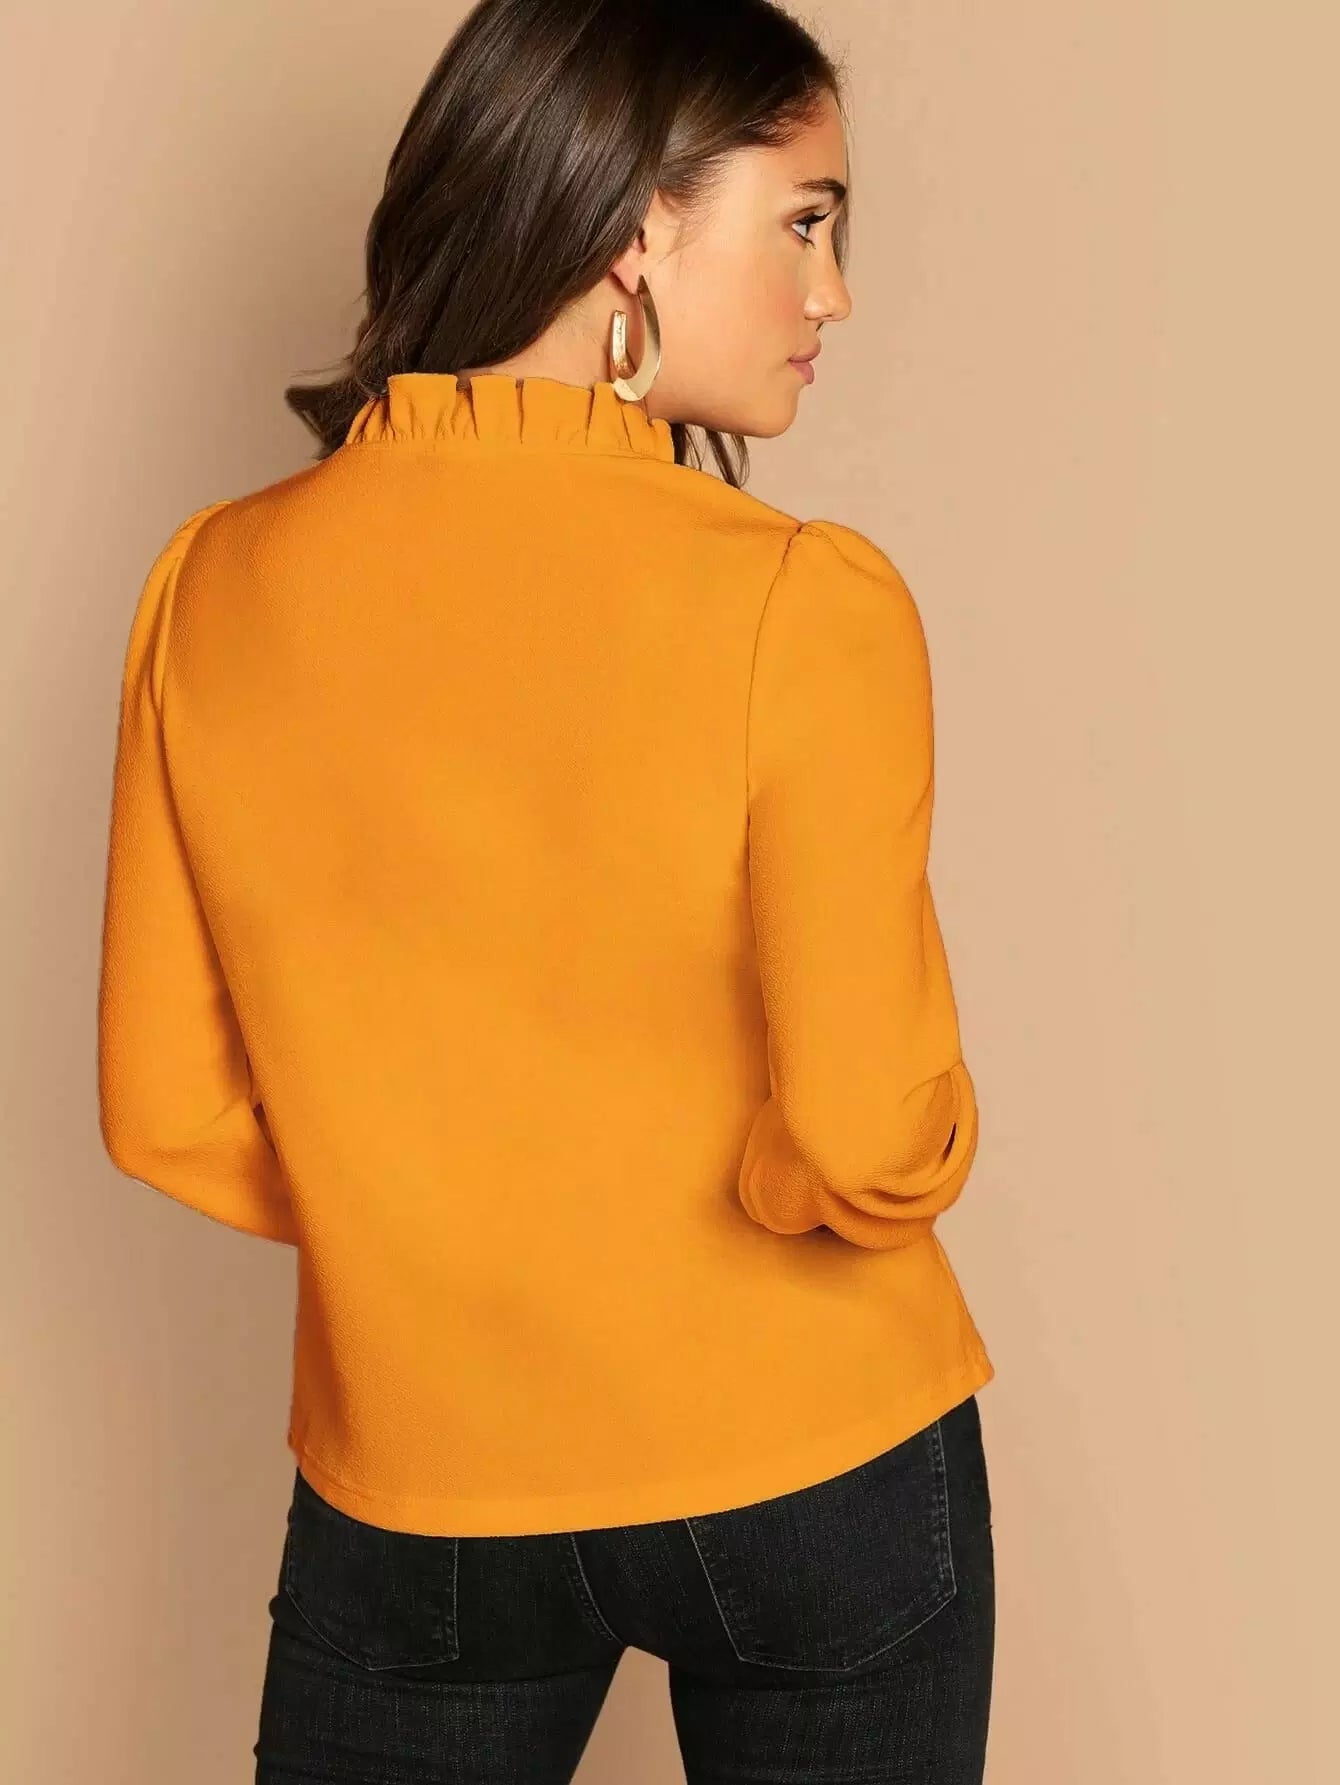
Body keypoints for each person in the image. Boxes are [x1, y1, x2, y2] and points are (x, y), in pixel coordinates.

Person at [96, 0, 997, 1777]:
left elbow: (164, 1111)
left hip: (422, 1470)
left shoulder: (211, 584)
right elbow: (869, 1138)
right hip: (815, 1453)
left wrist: (441, 1211)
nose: (833, 294)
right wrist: (758, 1175)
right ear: (637, 228)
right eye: (806, 221)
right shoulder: (804, 601)